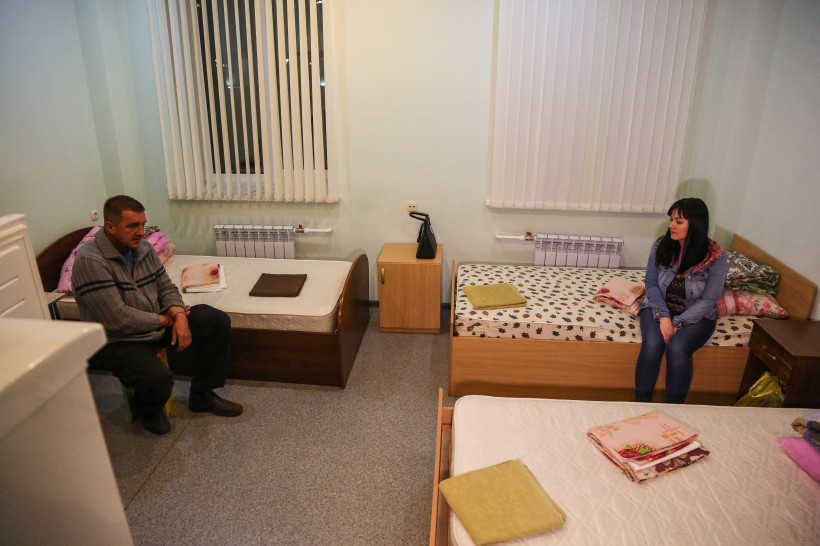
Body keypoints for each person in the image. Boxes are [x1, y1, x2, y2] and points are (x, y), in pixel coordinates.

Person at [72, 195, 242, 435]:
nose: (141, 232)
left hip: (154, 326)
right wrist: (165, 320)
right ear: (110, 227)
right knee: (159, 378)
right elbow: (116, 319)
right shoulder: (91, 261)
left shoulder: (142, 248)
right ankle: (147, 409)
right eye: (132, 226)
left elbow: (166, 287)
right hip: (117, 340)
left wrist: (179, 315)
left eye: (143, 225)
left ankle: (202, 395)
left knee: (214, 320)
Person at [634, 197, 727, 404]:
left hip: (697, 315)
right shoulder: (661, 245)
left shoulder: (716, 257)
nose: (671, 226)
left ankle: (675, 409)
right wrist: (664, 317)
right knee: (653, 345)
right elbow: (651, 284)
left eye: (678, 221)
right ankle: (640, 404)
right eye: (671, 220)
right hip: (659, 307)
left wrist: (678, 323)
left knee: (677, 349)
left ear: (695, 225)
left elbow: (710, 298)